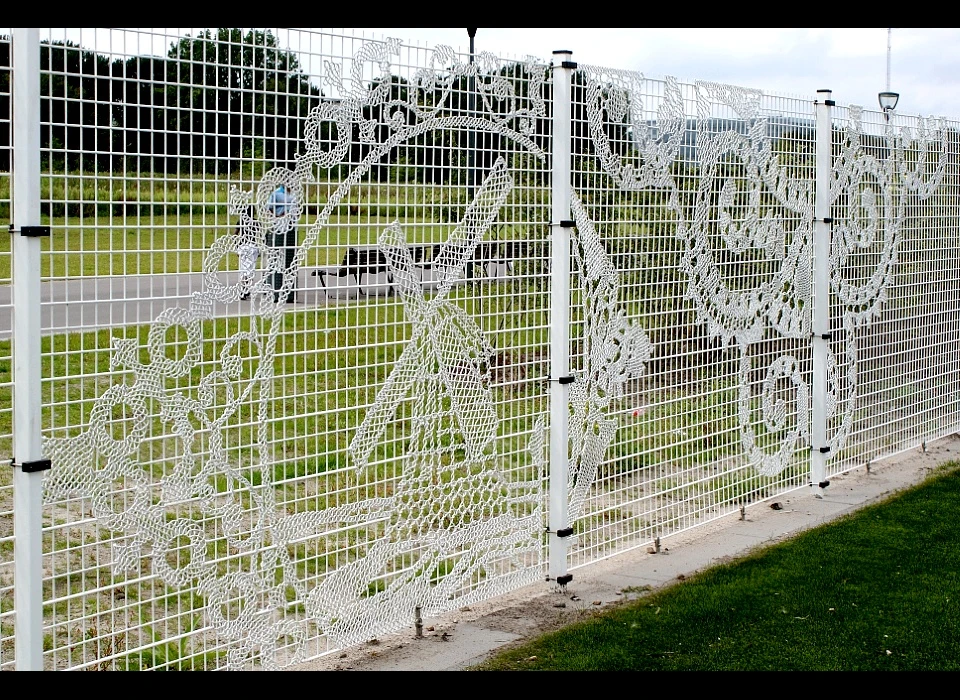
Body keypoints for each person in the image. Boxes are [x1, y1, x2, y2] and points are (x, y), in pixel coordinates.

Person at [266, 183, 298, 303]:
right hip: (278, 229)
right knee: (276, 258)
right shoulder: (276, 193)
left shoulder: (295, 194)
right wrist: (278, 216)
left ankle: (288, 291)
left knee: (289, 260)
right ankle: (273, 287)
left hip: (292, 230)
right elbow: (268, 209)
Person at [235, 205, 258, 301]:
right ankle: (247, 288)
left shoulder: (241, 221)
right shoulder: (256, 222)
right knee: (250, 269)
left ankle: (243, 288)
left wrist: (236, 246)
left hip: (243, 246)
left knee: (243, 269)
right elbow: (259, 236)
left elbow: (235, 234)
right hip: (252, 246)